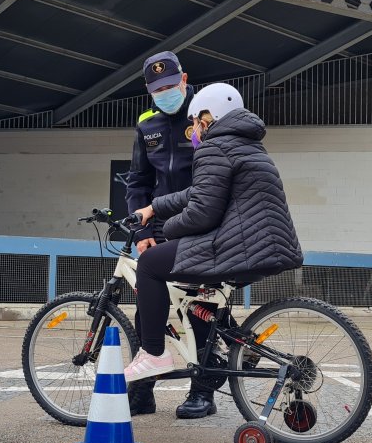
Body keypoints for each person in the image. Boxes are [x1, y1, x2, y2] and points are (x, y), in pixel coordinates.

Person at [124, 83, 304, 383]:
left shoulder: (214, 147)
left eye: (195, 121)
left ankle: (154, 354)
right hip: (266, 246)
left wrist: (168, 230)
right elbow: (201, 191)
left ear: (208, 117)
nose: (194, 128)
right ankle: (237, 343)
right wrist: (153, 208)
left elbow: (201, 212)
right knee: (196, 297)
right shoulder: (246, 144)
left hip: (237, 245)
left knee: (151, 264)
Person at [124, 51, 219, 419]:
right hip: (159, 226)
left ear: (184, 78)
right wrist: (142, 231)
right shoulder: (146, 123)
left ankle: (203, 391)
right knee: (148, 309)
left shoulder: (204, 115)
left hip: (202, 224)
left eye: (169, 85)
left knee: (199, 308)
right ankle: (143, 392)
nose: (164, 92)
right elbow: (139, 182)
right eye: (156, 88)